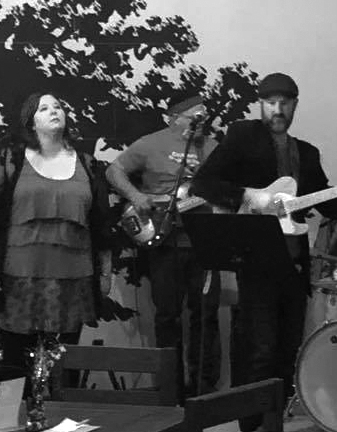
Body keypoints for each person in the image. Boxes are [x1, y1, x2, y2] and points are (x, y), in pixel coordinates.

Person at [190, 72, 337, 432]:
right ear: (260, 104)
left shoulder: (306, 153)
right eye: (270, 102)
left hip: (293, 262)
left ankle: (273, 422)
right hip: (255, 258)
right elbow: (203, 183)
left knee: (288, 348)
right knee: (260, 349)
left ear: (295, 105)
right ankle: (251, 424)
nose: (278, 110)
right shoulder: (243, 136)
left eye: (285, 103)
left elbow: (328, 204)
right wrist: (250, 196)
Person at [0, 91, 112, 385]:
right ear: (30, 121)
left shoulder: (88, 164)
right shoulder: (8, 161)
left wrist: (106, 273)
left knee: (65, 367)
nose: (53, 111)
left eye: (58, 106)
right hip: (19, 276)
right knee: (15, 366)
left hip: (74, 279)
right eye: (43, 108)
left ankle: (64, 415)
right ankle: (13, 415)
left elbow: (102, 226)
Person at [106, 94, 222, 397]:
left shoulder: (213, 148)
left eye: (205, 117)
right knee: (167, 315)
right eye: (195, 117)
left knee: (205, 315)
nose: (202, 122)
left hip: (204, 243)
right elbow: (113, 171)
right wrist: (136, 196)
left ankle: (203, 389)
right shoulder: (151, 143)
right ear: (174, 118)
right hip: (164, 241)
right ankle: (170, 389)